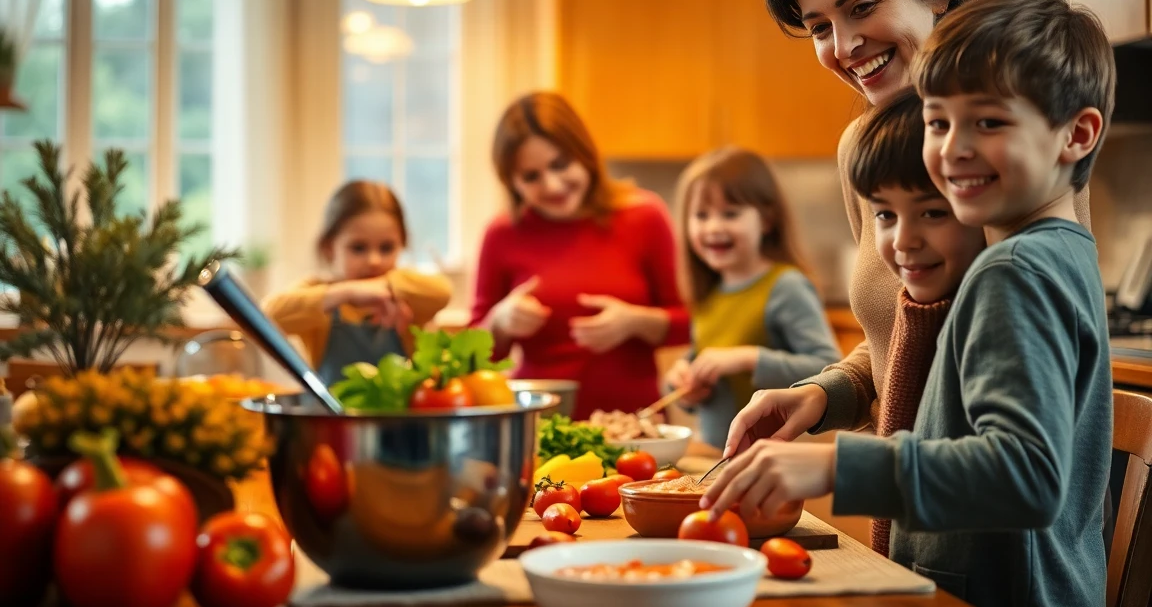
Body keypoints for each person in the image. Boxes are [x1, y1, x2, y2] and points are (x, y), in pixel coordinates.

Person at [703, 0, 1115, 607]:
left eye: (988, 123)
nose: (953, 149)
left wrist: (833, 467)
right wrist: (828, 398)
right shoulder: (1057, 253)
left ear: (1078, 134)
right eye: (940, 122)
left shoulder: (1014, 273)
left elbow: (1026, 475)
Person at [726, 0, 1091, 449]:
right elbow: (894, 341)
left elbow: (1032, 385)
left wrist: (838, 470)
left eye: (862, 7)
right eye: (820, 27)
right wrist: (825, 393)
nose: (844, 45)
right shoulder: (862, 147)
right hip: (913, 517)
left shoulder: (1020, 150)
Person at [470, 92, 689, 419]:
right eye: (531, 176)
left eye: (561, 164)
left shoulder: (645, 216)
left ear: (584, 154)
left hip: (635, 427)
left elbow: (689, 324)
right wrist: (500, 321)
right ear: (512, 182)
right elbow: (472, 356)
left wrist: (635, 322)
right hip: (541, 429)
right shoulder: (501, 234)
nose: (553, 185)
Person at [846, 88, 985, 554]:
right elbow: (882, 349)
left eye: (932, 212)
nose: (903, 241)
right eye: (884, 213)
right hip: (923, 571)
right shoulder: (922, 304)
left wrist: (836, 468)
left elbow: (1021, 475)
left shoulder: (999, 306)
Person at [663, 147, 840, 449]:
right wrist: (682, 381)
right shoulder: (709, 292)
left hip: (772, 459)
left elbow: (830, 368)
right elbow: (703, 360)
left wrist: (748, 358)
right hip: (715, 455)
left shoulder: (786, 286)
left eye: (730, 213)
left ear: (767, 219)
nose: (714, 227)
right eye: (701, 215)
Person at [263, 180, 451, 384]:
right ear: (329, 247)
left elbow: (443, 292)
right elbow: (268, 316)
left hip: (401, 416)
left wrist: (386, 286)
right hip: (333, 416)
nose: (374, 260)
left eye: (387, 248)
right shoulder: (320, 295)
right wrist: (347, 292)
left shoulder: (408, 292)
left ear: (402, 243)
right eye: (358, 248)